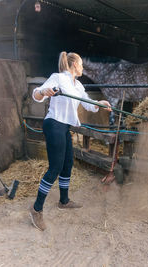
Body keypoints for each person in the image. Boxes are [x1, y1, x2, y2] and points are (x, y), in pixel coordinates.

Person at [30, 51, 111, 231]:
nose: (82, 67)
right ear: (74, 65)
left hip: (64, 127)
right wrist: (44, 91)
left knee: (68, 164)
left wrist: (101, 104)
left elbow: (88, 103)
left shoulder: (78, 85)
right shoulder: (58, 78)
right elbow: (36, 94)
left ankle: (64, 201)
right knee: (55, 167)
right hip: (54, 124)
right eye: (81, 64)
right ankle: (36, 209)